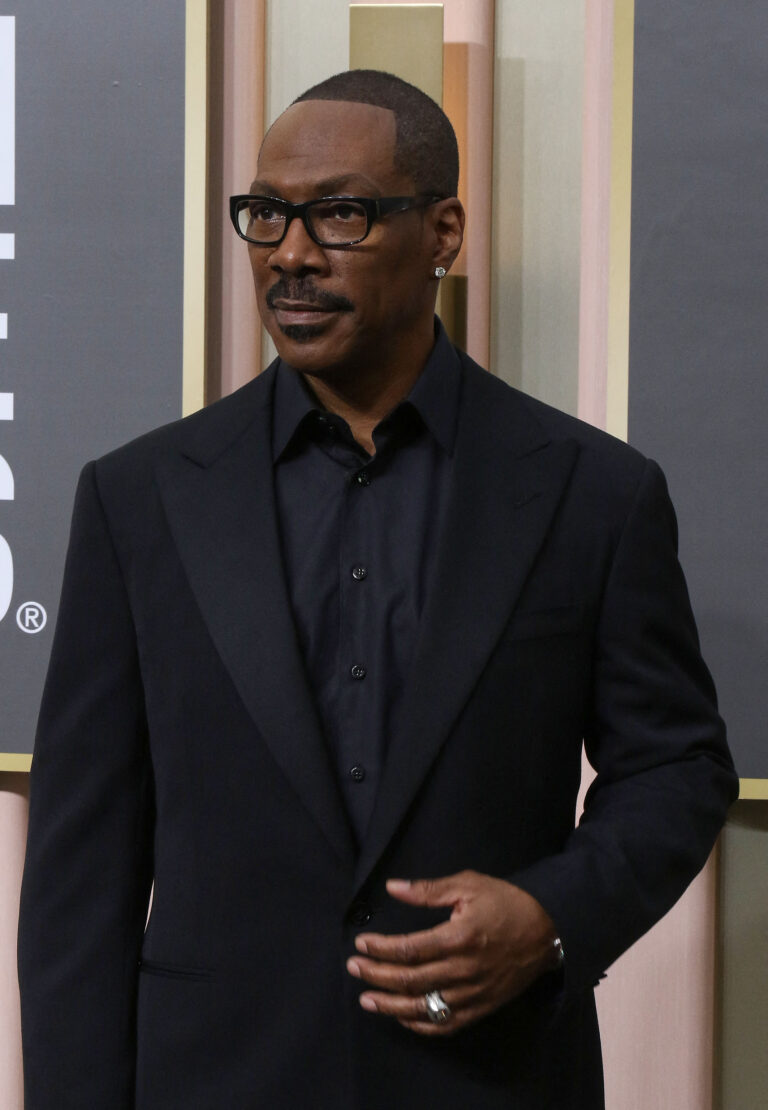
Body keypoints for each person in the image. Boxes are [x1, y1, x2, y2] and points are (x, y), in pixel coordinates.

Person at [18, 70, 737, 1109]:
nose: (291, 254)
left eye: (340, 213)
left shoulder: (594, 494)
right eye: (266, 215)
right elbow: (80, 873)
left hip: (492, 1077)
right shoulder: (141, 501)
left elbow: (677, 766)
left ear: (442, 231)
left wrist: (549, 915)